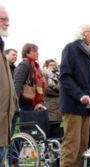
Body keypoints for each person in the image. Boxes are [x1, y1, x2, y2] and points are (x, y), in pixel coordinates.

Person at [59, 25, 90, 167]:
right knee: (71, 146)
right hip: (72, 106)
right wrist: (79, 95)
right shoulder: (70, 48)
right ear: (83, 34)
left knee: (82, 146)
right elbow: (65, 76)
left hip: (86, 108)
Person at [0, 5, 17, 164]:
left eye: (8, 19)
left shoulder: (1, 48)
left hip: (5, 123)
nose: (7, 23)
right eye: (3, 19)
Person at [43, 59, 63, 138]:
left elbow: (62, 87)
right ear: (47, 66)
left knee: (57, 127)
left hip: (58, 106)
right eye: (51, 65)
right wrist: (60, 93)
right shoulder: (44, 74)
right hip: (49, 105)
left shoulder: (57, 76)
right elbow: (46, 90)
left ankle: (55, 145)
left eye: (54, 65)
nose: (53, 67)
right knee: (50, 126)